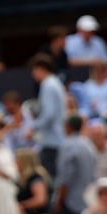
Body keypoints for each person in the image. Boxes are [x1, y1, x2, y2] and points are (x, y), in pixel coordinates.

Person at [27, 53, 70, 184]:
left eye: (33, 70)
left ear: (40, 68)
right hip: (58, 138)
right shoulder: (55, 82)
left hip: (52, 141)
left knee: (50, 178)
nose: (32, 74)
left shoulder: (48, 85)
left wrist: (33, 127)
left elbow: (49, 114)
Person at [48, 113, 97, 214]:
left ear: (68, 127)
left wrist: (60, 202)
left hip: (70, 203)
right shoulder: (89, 145)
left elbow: (65, 178)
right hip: (87, 201)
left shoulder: (67, 146)